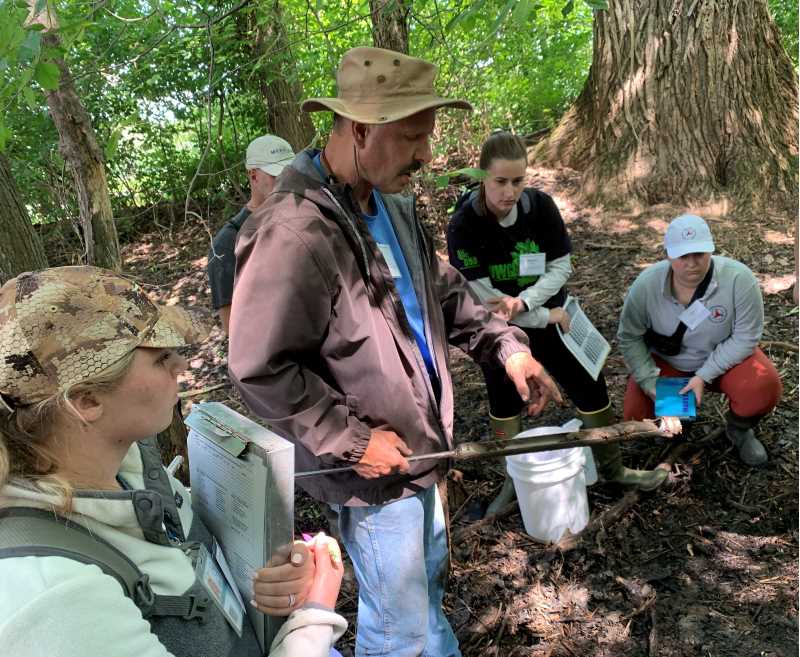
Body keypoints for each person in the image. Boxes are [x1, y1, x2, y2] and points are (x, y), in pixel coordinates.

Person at [228, 47, 562, 657]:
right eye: (413, 137)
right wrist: (354, 440)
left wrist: (508, 348)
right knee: (397, 630)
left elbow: (442, 293)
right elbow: (260, 367)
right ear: (359, 130)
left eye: (427, 136)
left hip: (422, 451)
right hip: (375, 472)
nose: (427, 155)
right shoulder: (293, 231)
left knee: (421, 590)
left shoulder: (387, 203)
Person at [0, 266, 346, 657]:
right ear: (87, 401)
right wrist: (314, 620)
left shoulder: (124, 468)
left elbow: (194, 572)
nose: (181, 366)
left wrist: (264, 580)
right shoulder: (54, 600)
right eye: (161, 357)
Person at [447, 131, 667, 515]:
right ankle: (513, 483)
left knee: (590, 384)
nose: (509, 191)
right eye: (500, 181)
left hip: (548, 312)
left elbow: (560, 264)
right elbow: (486, 301)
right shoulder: (465, 223)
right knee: (504, 396)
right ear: (482, 176)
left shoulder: (540, 208)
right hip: (502, 329)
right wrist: (541, 313)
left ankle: (611, 469)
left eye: (518, 181)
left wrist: (527, 301)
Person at [618, 214, 783, 465]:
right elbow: (629, 337)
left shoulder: (739, 279)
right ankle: (676, 423)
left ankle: (739, 428)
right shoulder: (646, 286)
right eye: (683, 256)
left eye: (699, 254)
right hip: (668, 362)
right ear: (668, 255)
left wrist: (704, 376)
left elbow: (746, 337)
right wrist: (649, 382)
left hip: (722, 360)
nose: (692, 264)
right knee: (637, 413)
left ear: (711, 251)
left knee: (762, 388)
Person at [208, 135, 295, 333]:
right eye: (276, 175)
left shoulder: (301, 218)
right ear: (253, 175)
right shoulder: (226, 245)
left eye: (290, 174)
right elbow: (233, 329)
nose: (287, 183)